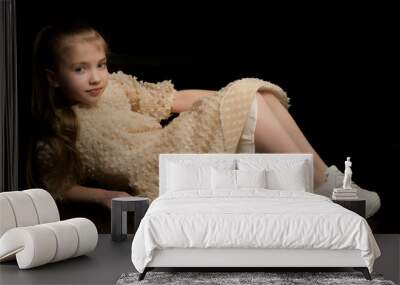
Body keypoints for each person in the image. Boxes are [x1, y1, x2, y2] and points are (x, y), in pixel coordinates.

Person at [26, 22, 381, 218]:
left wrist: (232, 100)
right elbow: (59, 184)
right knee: (247, 96)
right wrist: (106, 196)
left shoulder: (116, 87)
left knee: (254, 94)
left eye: (100, 65)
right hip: (160, 166)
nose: (95, 78)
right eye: (80, 69)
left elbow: (174, 99)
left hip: (173, 142)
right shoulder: (61, 127)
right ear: (54, 77)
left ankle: (327, 182)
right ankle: (326, 188)